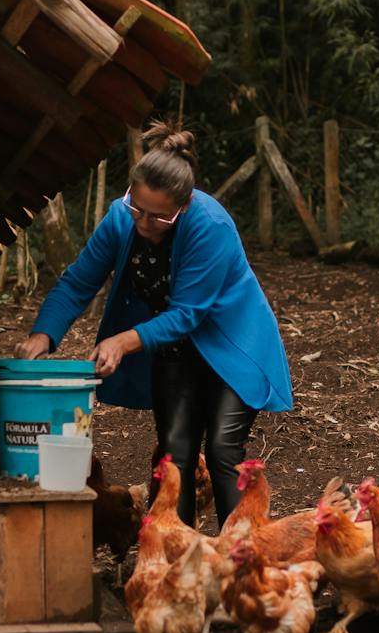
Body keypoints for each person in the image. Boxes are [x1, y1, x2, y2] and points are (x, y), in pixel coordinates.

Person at [22, 124, 292, 526]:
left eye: (157, 217)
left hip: (234, 342)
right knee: (175, 451)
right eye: (137, 208)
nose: (143, 223)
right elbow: (78, 281)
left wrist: (124, 342)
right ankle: (174, 555)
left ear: (181, 208)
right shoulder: (120, 219)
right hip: (175, 344)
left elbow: (188, 314)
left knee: (221, 446)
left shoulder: (209, 227)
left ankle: (243, 556)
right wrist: (44, 333)